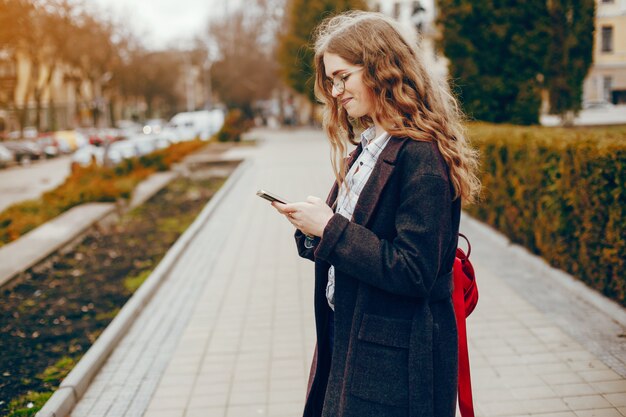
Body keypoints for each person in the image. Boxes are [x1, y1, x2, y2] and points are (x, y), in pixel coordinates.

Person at [272, 10, 480, 417]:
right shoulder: (370, 146)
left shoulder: (421, 155)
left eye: (342, 77)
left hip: (395, 362)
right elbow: (360, 239)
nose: (335, 91)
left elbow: (414, 271)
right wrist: (314, 229)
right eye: (331, 81)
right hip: (349, 339)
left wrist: (330, 229)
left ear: (381, 69)